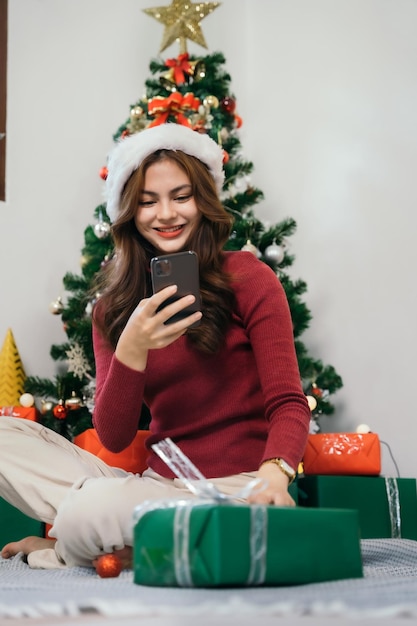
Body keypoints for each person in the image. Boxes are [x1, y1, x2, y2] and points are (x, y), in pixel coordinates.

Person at [0, 123, 310, 570]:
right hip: (154, 489)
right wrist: (132, 348)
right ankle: (115, 539)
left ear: (203, 201)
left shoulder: (250, 278)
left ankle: (84, 543)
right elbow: (114, 435)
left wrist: (274, 474)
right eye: (147, 201)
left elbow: (289, 404)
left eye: (181, 196)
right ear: (130, 212)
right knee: (12, 440)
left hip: (238, 489)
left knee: (92, 509)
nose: (166, 214)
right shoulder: (113, 310)